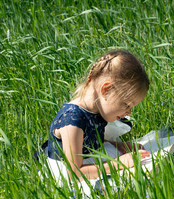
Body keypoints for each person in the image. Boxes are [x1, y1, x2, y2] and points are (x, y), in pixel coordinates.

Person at [47, 50, 151, 181]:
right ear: (106, 90)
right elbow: (74, 172)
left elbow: (90, 140)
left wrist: (118, 145)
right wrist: (120, 163)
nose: (129, 113)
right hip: (71, 176)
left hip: (90, 161)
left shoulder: (96, 110)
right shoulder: (72, 120)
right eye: (126, 105)